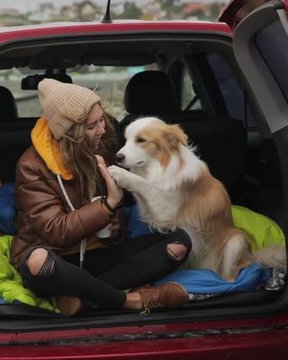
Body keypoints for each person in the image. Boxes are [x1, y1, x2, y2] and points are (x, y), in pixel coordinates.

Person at [10, 78, 192, 316]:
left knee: (178, 242)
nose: (102, 129)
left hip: (97, 255)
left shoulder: (102, 146)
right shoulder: (31, 165)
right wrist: (108, 206)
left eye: (101, 120)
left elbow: (116, 216)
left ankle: (81, 298)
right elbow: (56, 230)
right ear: (70, 133)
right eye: (92, 126)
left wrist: (115, 223)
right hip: (58, 258)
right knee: (37, 261)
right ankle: (131, 301)